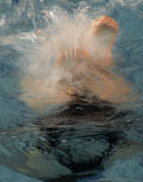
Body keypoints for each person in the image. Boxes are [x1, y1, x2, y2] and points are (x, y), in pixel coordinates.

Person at [18, 15, 137, 178]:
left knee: (119, 104)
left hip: (102, 129)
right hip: (67, 130)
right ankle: (90, 67)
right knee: (42, 102)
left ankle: (98, 66)